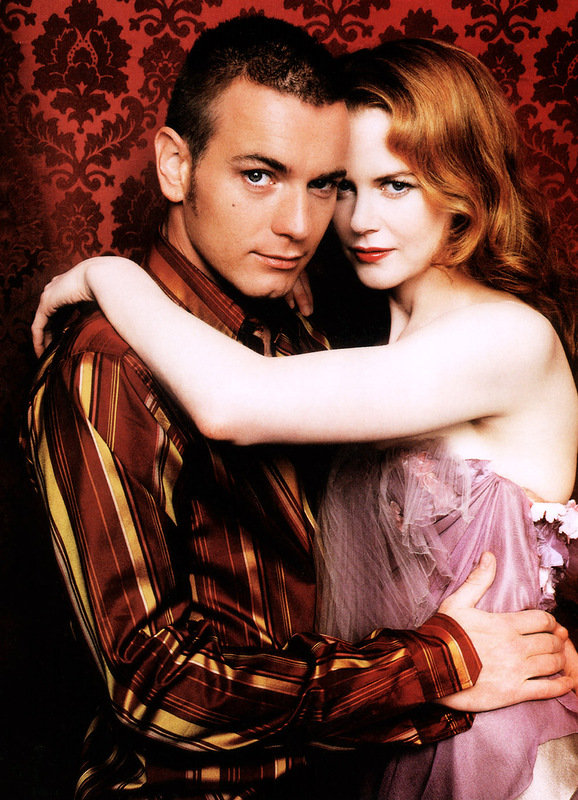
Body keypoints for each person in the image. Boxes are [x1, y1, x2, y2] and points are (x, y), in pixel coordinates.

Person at [26, 24, 575, 800]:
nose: (327, 222)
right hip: (324, 755)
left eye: (388, 185)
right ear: (175, 165)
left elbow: (235, 401)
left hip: (479, 741)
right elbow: (155, 681)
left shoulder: (494, 339)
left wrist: (106, 274)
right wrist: (430, 667)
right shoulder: (139, 356)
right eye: (342, 186)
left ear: (465, 185)